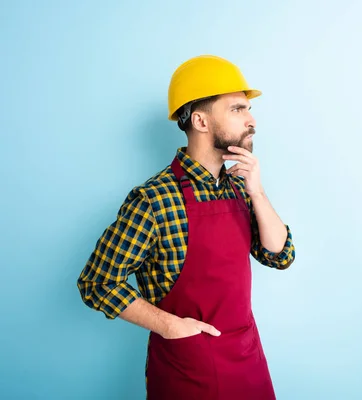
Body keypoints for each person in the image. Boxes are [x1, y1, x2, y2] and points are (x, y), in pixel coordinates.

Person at [76, 55, 295, 399]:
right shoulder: (154, 199)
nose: (252, 120)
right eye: (238, 109)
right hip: (187, 368)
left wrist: (258, 191)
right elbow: (97, 282)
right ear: (200, 121)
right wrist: (170, 326)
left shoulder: (240, 187)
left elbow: (280, 255)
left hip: (247, 360)